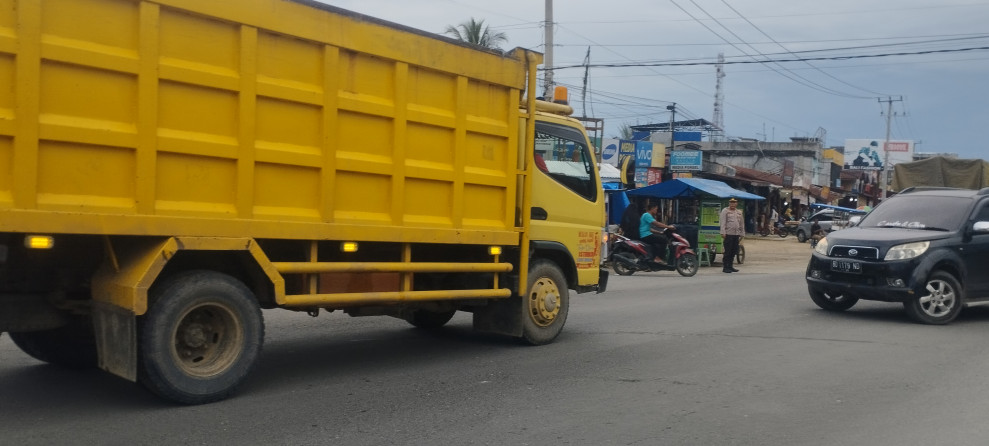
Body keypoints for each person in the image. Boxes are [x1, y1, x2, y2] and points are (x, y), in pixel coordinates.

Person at [720, 198, 744, 273]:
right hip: (728, 234)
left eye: (734, 202)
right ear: (729, 203)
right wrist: (723, 232)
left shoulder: (739, 212)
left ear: (736, 203)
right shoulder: (725, 211)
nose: (732, 204)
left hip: (736, 234)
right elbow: (722, 222)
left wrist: (742, 233)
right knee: (728, 251)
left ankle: (730, 266)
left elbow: (741, 224)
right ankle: (725, 267)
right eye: (731, 202)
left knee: (734, 251)